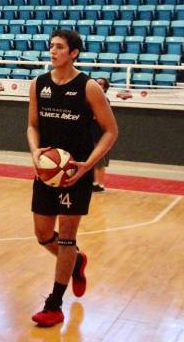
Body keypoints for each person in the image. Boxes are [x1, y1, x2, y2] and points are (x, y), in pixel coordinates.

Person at [27, 30, 118, 327]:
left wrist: (88, 165)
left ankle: (54, 305)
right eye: (51, 46)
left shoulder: (89, 87)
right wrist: (35, 151)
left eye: (59, 47)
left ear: (74, 52)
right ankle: (77, 261)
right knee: (43, 235)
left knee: (67, 235)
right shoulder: (38, 84)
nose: (53, 51)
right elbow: (32, 125)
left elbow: (111, 131)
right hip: (46, 172)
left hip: (75, 172)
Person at [91, 77, 111, 193]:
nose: (98, 85)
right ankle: (94, 182)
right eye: (96, 83)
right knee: (91, 158)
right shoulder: (90, 98)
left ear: (105, 88)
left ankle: (100, 184)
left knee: (99, 159)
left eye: (100, 84)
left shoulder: (104, 100)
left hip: (99, 131)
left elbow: (99, 116)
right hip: (90, 130)